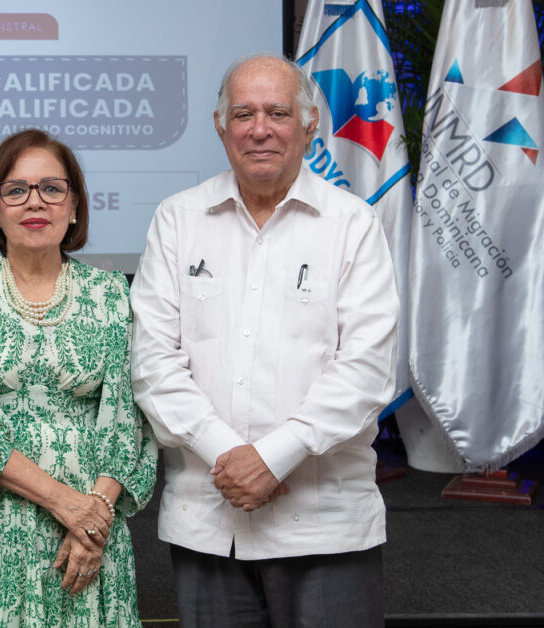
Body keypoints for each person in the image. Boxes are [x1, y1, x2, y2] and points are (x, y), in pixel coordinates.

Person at [130, 54, 398, 628]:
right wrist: (233, 459)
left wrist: (273, 460)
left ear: (309, 123)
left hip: (324, 525)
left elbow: (367, 370)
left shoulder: (353, 224)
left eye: (277, 112)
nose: (259, 129)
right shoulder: (177, 220)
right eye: (243, 114)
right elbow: (153, 364)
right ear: (219, 125)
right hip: (209, 520)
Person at [0, 129, 158, 627]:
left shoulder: (112, 293)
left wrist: (94, 517)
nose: (35, 202)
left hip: (86, 539)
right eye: (16, 190)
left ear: (74, 206)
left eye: (51, 188)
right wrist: (67, 504)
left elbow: (128, 419)